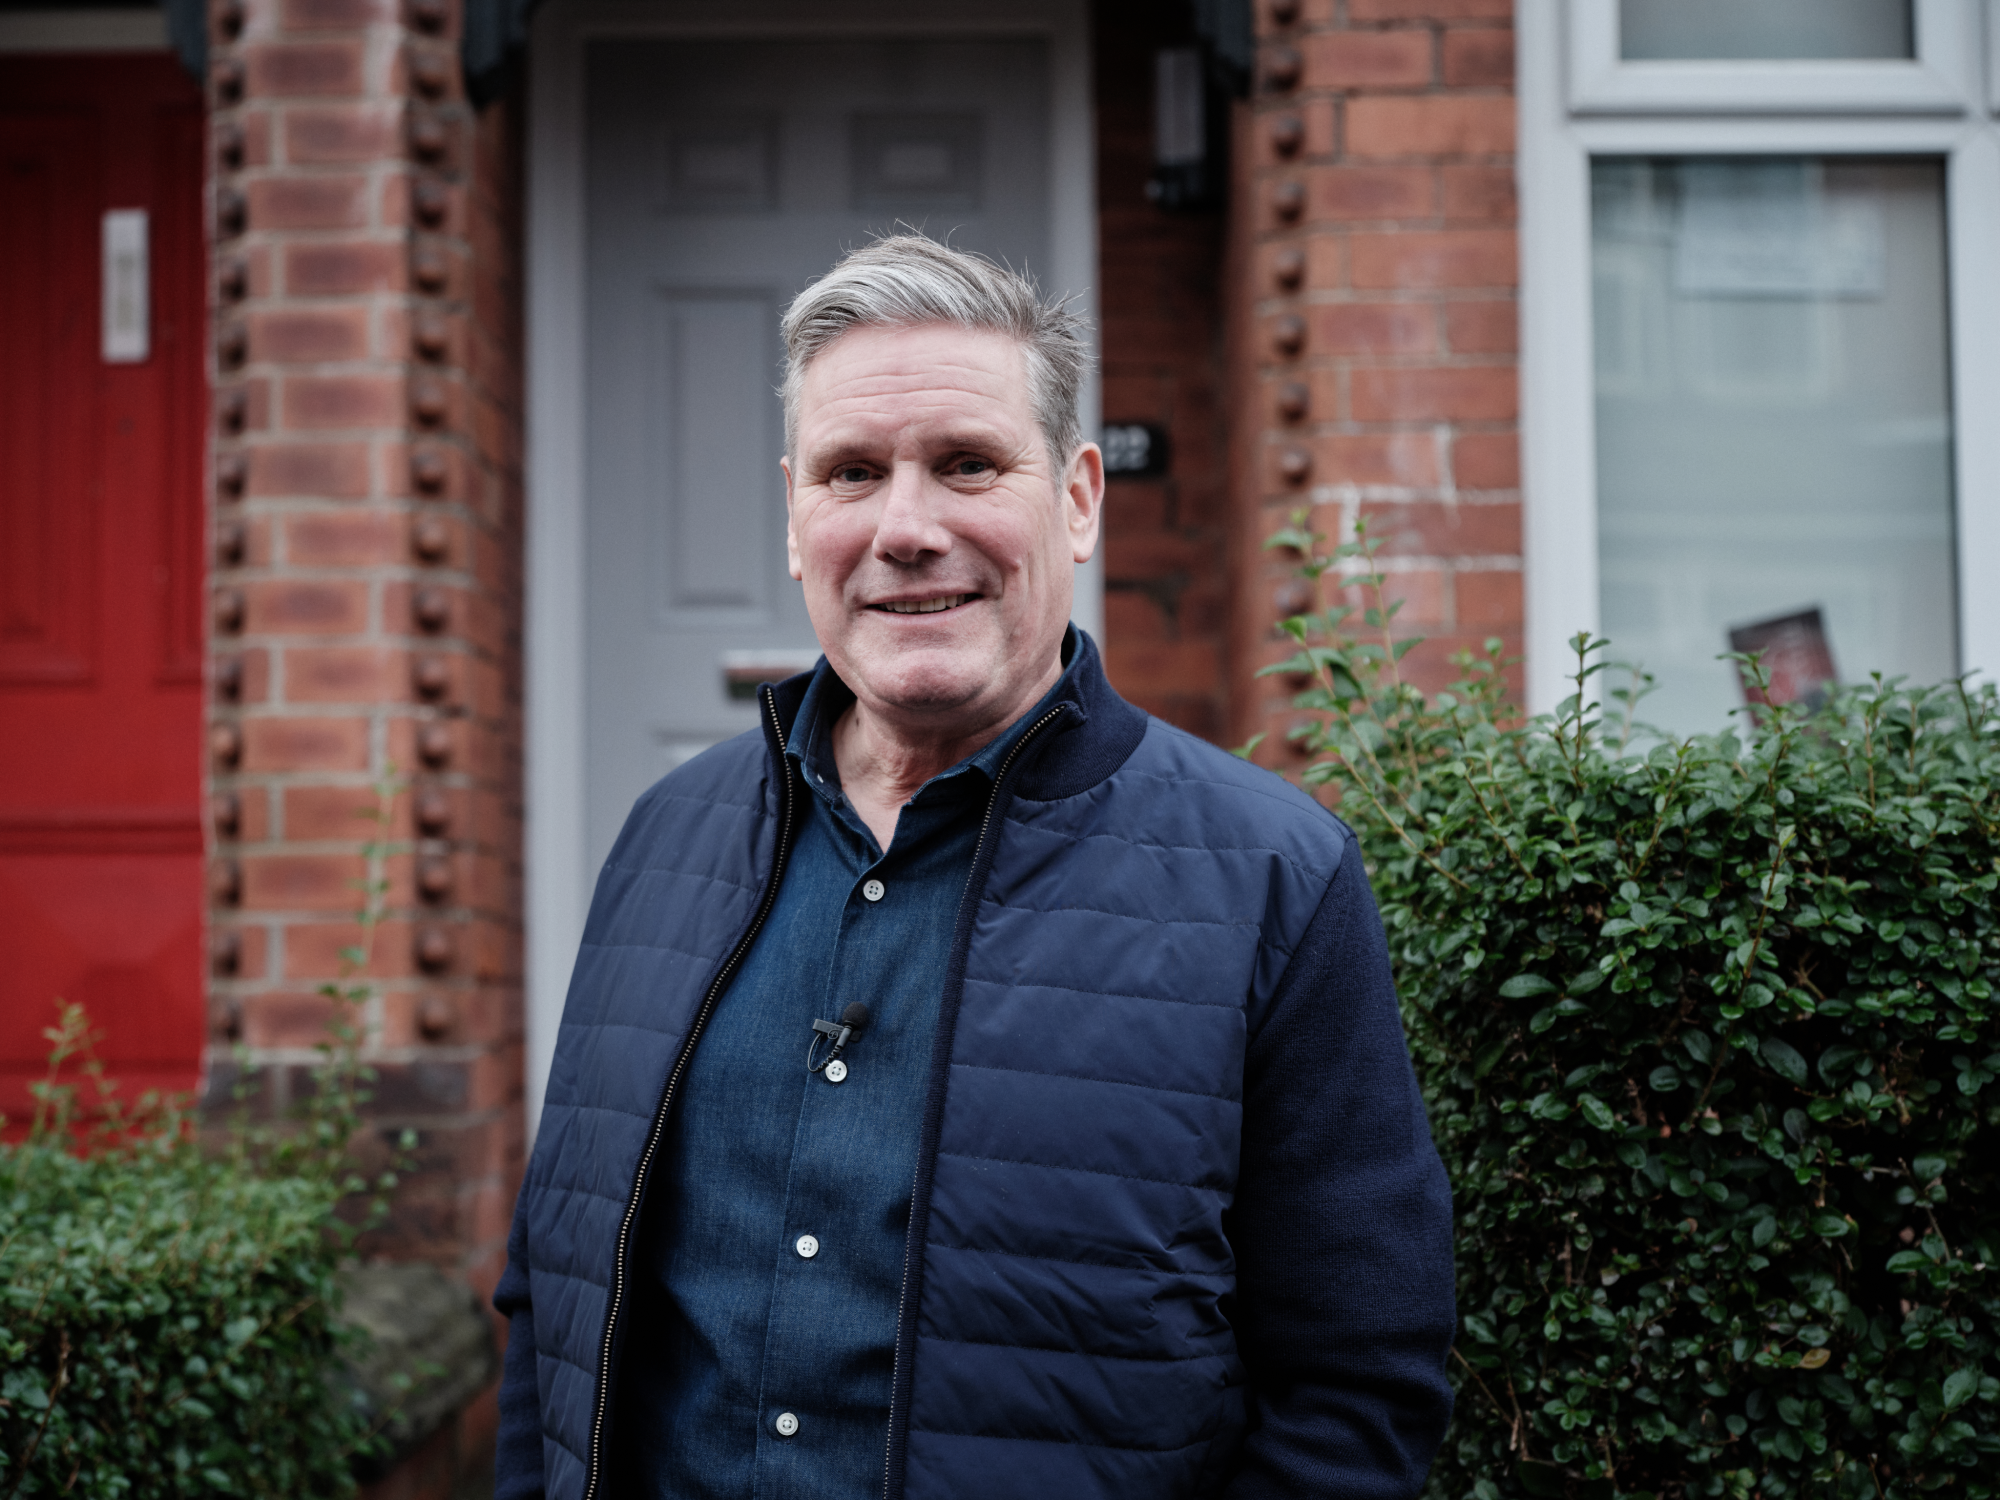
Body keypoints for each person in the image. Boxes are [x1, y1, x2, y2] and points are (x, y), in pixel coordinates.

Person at [494, 235, 1455, 1500]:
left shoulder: (1273, 876)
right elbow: (553, 1297)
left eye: (966, 465)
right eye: (851, 473)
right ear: (794, 518)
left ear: (1077, 498)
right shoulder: (664, 840)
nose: (905, 529)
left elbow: (1356, 1379)